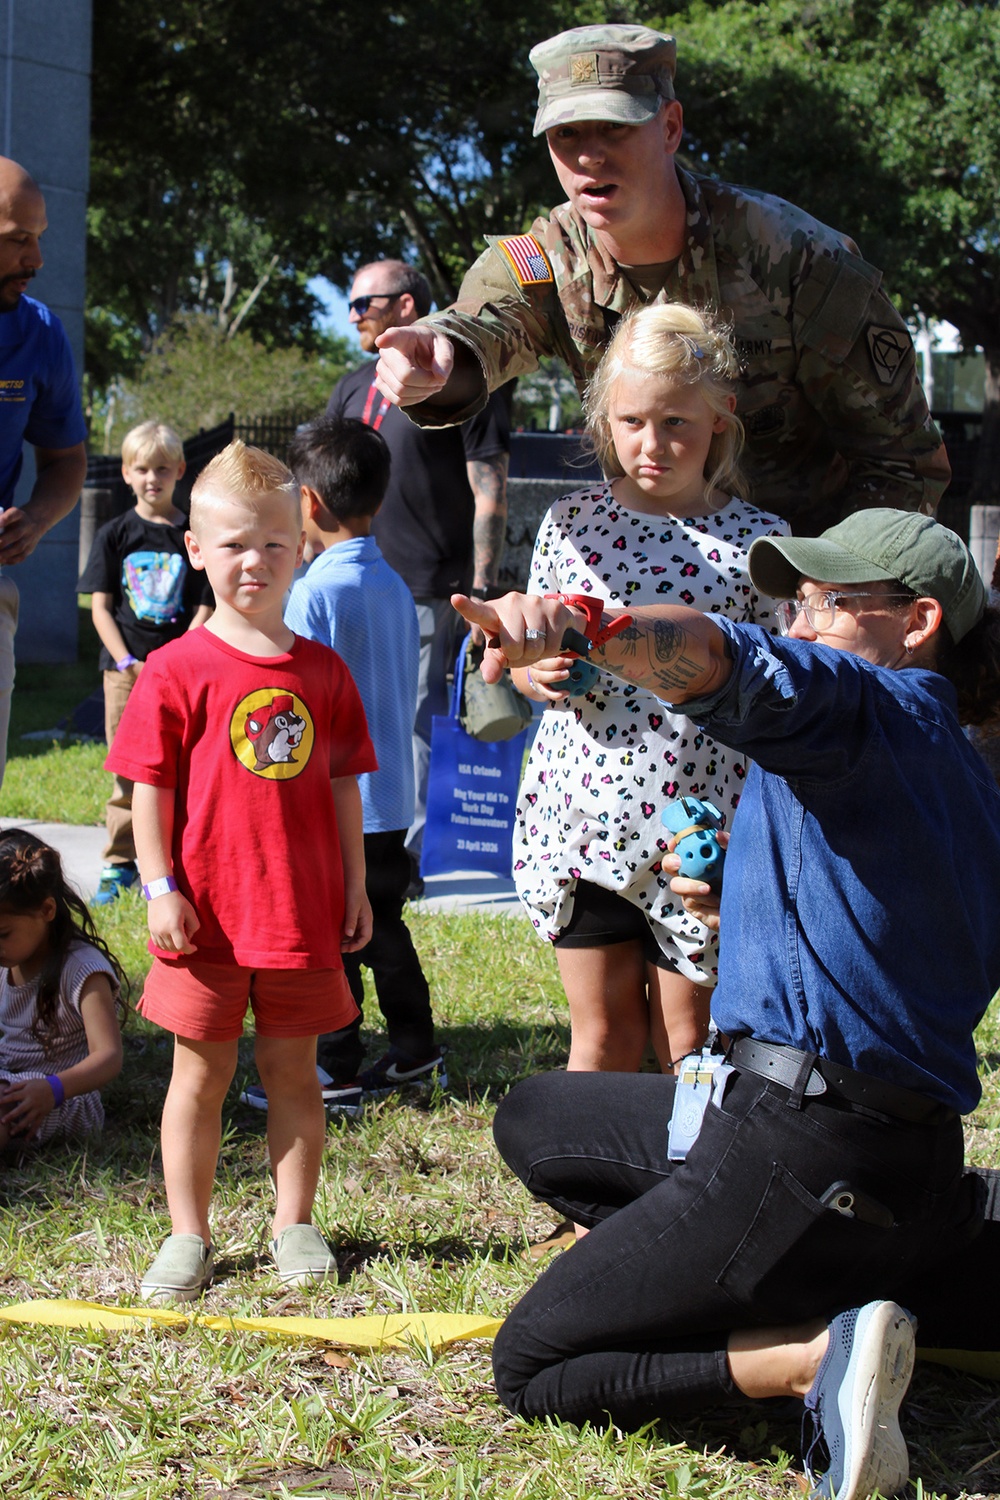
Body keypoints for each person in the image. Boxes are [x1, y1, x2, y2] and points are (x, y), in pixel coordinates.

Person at [452, 507, 1000, 1500]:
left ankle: (809, 1356)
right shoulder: (965, 774)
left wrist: (575, 625)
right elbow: (895, 932)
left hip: (801, 1147)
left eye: (828, 604)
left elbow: (712, 657)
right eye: (792, 601)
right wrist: (744, 883)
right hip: (902, 1157)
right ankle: (914, 1251)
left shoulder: (864, 707)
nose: (799, 625)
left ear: (919, 623)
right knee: (538, 1114)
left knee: (531, 1364)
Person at [373, 25, 948, 539]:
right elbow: (483, 322)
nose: (589, 156)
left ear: (670, 127)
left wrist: (841, 595)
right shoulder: (552, 258)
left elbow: (900, 458)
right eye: (566, 134)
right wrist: (436, 352)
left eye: (615, 128)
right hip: (649, 572)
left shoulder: (792, 256)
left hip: (805, 590)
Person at [105, 441, 377, 1303]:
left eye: (271, 542)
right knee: (199, 1076)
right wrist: (158, 887)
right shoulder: (174, 670)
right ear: (195, 550)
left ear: (302, 544)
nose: (252, 561)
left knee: (293, 1073)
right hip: (203, 920)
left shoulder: (324, 672)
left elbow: (341, 787)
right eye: (231, 544)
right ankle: (188, 1235)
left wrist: (358, 884)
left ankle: (294, 1224)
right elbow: (147, 791)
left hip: (299, 915)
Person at [510, 303, 787, 1072]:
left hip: (698, 827)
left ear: (721, 416)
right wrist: (535, 672)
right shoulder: (568, 524)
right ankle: (587, 1192)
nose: (651, 444)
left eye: (676, 423)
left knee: (687, 1047)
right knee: (601, 1038)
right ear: (604, 417)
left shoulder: (759, 543)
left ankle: (686, 1193)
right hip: (585, 818)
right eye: (631, 421)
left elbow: (778, 681)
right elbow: (533, 656)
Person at [240, 415, 445, 1117]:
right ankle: (416, 1050)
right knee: (384, 925)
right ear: (378, 500)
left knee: (334, 936)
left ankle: (336, 1069)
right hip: (391, 793)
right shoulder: (389, 580)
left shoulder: (313, 592)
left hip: (338, 797)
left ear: (308, 504)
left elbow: (296, 694)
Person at [327, 259, 511, 885]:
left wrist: (483, 586)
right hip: (348, 576)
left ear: (406, 305)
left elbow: (489, 489)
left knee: (412, 717)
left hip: (428, 582)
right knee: (344, 711)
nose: (353, 315)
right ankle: (352, 842)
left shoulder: (458, 380)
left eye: (363, 303)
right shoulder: (353, 386)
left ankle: (403, 857)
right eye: (351, 305)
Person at [78, 420, 214, 906]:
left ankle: (173, 862)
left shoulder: (191, 534)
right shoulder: (116, 533)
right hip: (126, 674)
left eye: (161, 468)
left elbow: (205, 603)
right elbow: (100, 605)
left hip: (179, 677)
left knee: (181, 770)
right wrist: (125, 660)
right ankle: (119, 864)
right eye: (142, 469)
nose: (152, 477)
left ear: (180, 470)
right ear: (126, 473)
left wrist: (178, 659)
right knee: (127, 773)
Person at [0, 156, 87, 785]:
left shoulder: (41, 334)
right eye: (16, 240)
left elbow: (66, 460)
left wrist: (35, 517)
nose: (36, 259)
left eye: (39, 237)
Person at [0, 828, 126, 1152]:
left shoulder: (83, 969)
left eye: (3, 933)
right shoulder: (6, 960)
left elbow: (109, 1056)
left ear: (46, 911)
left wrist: (51, 1089)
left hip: (61, 1098)